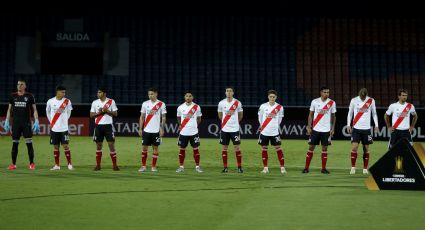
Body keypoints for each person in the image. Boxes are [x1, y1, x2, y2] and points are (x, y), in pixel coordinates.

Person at [4, 79, 39, 170]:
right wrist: (7, 120)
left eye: (21, 84)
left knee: (29, 143)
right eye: (18, 84)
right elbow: (9, 109)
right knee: (15, 143)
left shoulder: (29, 96)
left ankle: (31, 163)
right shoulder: (13, 96)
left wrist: (36, 120)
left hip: (26, 123)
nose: (19, 86)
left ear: (25, 86)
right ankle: (13, 164)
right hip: (16, 124)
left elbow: (34, 109)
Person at [303, 86, 336, 174]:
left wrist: (332, 128)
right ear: (321, 93)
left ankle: (323, 168)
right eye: (325, 92)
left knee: (325, 149)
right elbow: (310, 115)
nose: (326, 94)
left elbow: (333, 117)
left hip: (326, 130)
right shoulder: (314, 101)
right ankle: (306, 168)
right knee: (311, 147)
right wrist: (309, 126)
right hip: (315, 129)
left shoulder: (332, 103)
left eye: (328, 92)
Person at [347, 88, 379, 175]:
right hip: (356, 129)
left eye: (364, 97)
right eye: (361, 97)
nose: (363, 98)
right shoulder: (354, 100)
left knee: (366, 149)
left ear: (366, 95)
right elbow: (350, 113)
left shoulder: (371, 101)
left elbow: (374, 113)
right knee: (354, 147)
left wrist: (376, 125)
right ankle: (353, 167)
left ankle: (365, 168)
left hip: (366, 129)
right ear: (359, 94)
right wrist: (348, 125)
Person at [90, 87, 120, 171]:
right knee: (98, 145)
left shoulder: (111, 101)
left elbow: (116, 114)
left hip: (108, 126)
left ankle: (115, 165)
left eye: (99, 92)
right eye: (98, 92)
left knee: (111, 145)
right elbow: (91, 115)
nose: (98, 94)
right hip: (98, 126)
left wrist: (107, 111)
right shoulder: (95, 102)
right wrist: (99, 113)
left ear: (104, 93)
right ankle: (98, 165)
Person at [138, 87, 167, 172]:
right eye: (149, 94)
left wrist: (162, 128)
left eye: (152, 94)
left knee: (155, 148)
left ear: (156, 94)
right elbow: (142, 117)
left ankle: (153, 166)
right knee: (144, 148)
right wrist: (140, 128)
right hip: (146, 130)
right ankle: (143, 166)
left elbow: (164, 117)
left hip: (156, 130)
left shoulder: (161, 104)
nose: (150, 96)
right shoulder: (145, 104)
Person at [257, 90, 286, 174]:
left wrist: (275, 126)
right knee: (264, 149)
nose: (272, 98)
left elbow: (280, 119)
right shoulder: (263, 106)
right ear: (268, 97)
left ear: (276, 97)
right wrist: (263, 126)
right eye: (271, 96)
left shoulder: (280, 107)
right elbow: (260, 117)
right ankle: (265, 168)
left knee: (278, 149)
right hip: (264, 131)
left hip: (274, 132)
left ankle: (282, 168)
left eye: (273, 97)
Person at [46, 86, 74, 170]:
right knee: (55, 147)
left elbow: (69, 112)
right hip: (54, 128)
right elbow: (47, 112)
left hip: (64, 129)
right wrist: (52, 122)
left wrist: (65, 121)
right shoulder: (50, 101)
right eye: (62, 92)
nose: (64, 94)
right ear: (57, 92)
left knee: (66, 146)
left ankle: (69, 164)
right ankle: (57, 165)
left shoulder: (67, 101)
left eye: (64, 92)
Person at [217, 87, 244, 173]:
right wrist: (226, 123)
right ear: (225, 93)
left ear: (233, 92)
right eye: (227, 91)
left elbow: (240, 115)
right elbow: (220, 116)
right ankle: (225, 168)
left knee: (237, 147)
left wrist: (235, 123)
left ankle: (239, 167)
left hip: (235, 129)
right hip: (225, 129)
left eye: (230, 91)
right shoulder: (221, 103)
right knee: (224, 148)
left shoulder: (237, 103)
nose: (229, 92)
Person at [175, 91, 203, 173]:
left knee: (196, 149)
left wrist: (193, 125)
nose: (188, 97)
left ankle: (197, 167)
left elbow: (199, 119)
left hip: (194, 132)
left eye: (190, 96)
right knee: (182, 149)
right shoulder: (180, 107)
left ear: (192, 97)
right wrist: (183, 125)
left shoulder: (196, 107)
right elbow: (179, 118)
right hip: (183, 132)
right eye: (186, 96)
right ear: (184, 97)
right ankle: (181, 167)